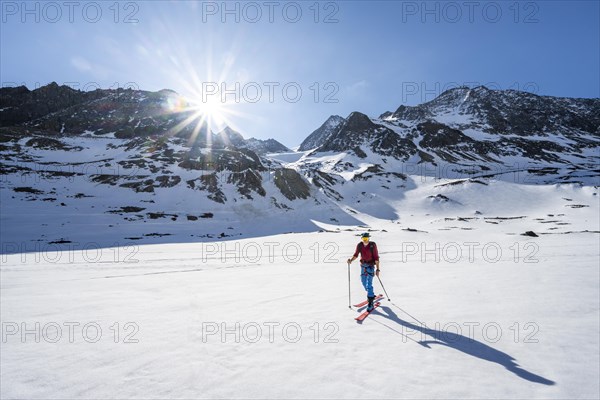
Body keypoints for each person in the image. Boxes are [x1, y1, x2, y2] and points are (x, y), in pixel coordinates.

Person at [347, 232, 380, 311]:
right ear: (361, 238)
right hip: (363, 266)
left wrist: (378, 269)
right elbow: (356, 254)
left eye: (366, 239)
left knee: (369, 284)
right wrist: (351, 260)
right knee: (363, 282)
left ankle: (370, 301)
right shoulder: (360, 245)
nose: (365, 240)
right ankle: (371, 294)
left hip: (371, 266)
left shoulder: (373, 245)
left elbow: (376, 257)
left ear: (369, 238)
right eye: (364, 239)